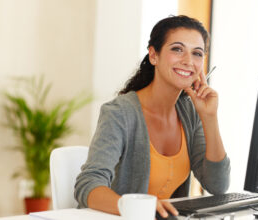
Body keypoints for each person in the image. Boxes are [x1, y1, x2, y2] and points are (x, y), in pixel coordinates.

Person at [74, 15, 230, 218]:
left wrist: (209, 117)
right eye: (177, 49)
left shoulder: (190, 113)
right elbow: (88, 184)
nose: (188, 61)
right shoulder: (120, 113)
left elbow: (218, 185)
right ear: (153, 55)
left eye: (197, 53)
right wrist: (136, 207)